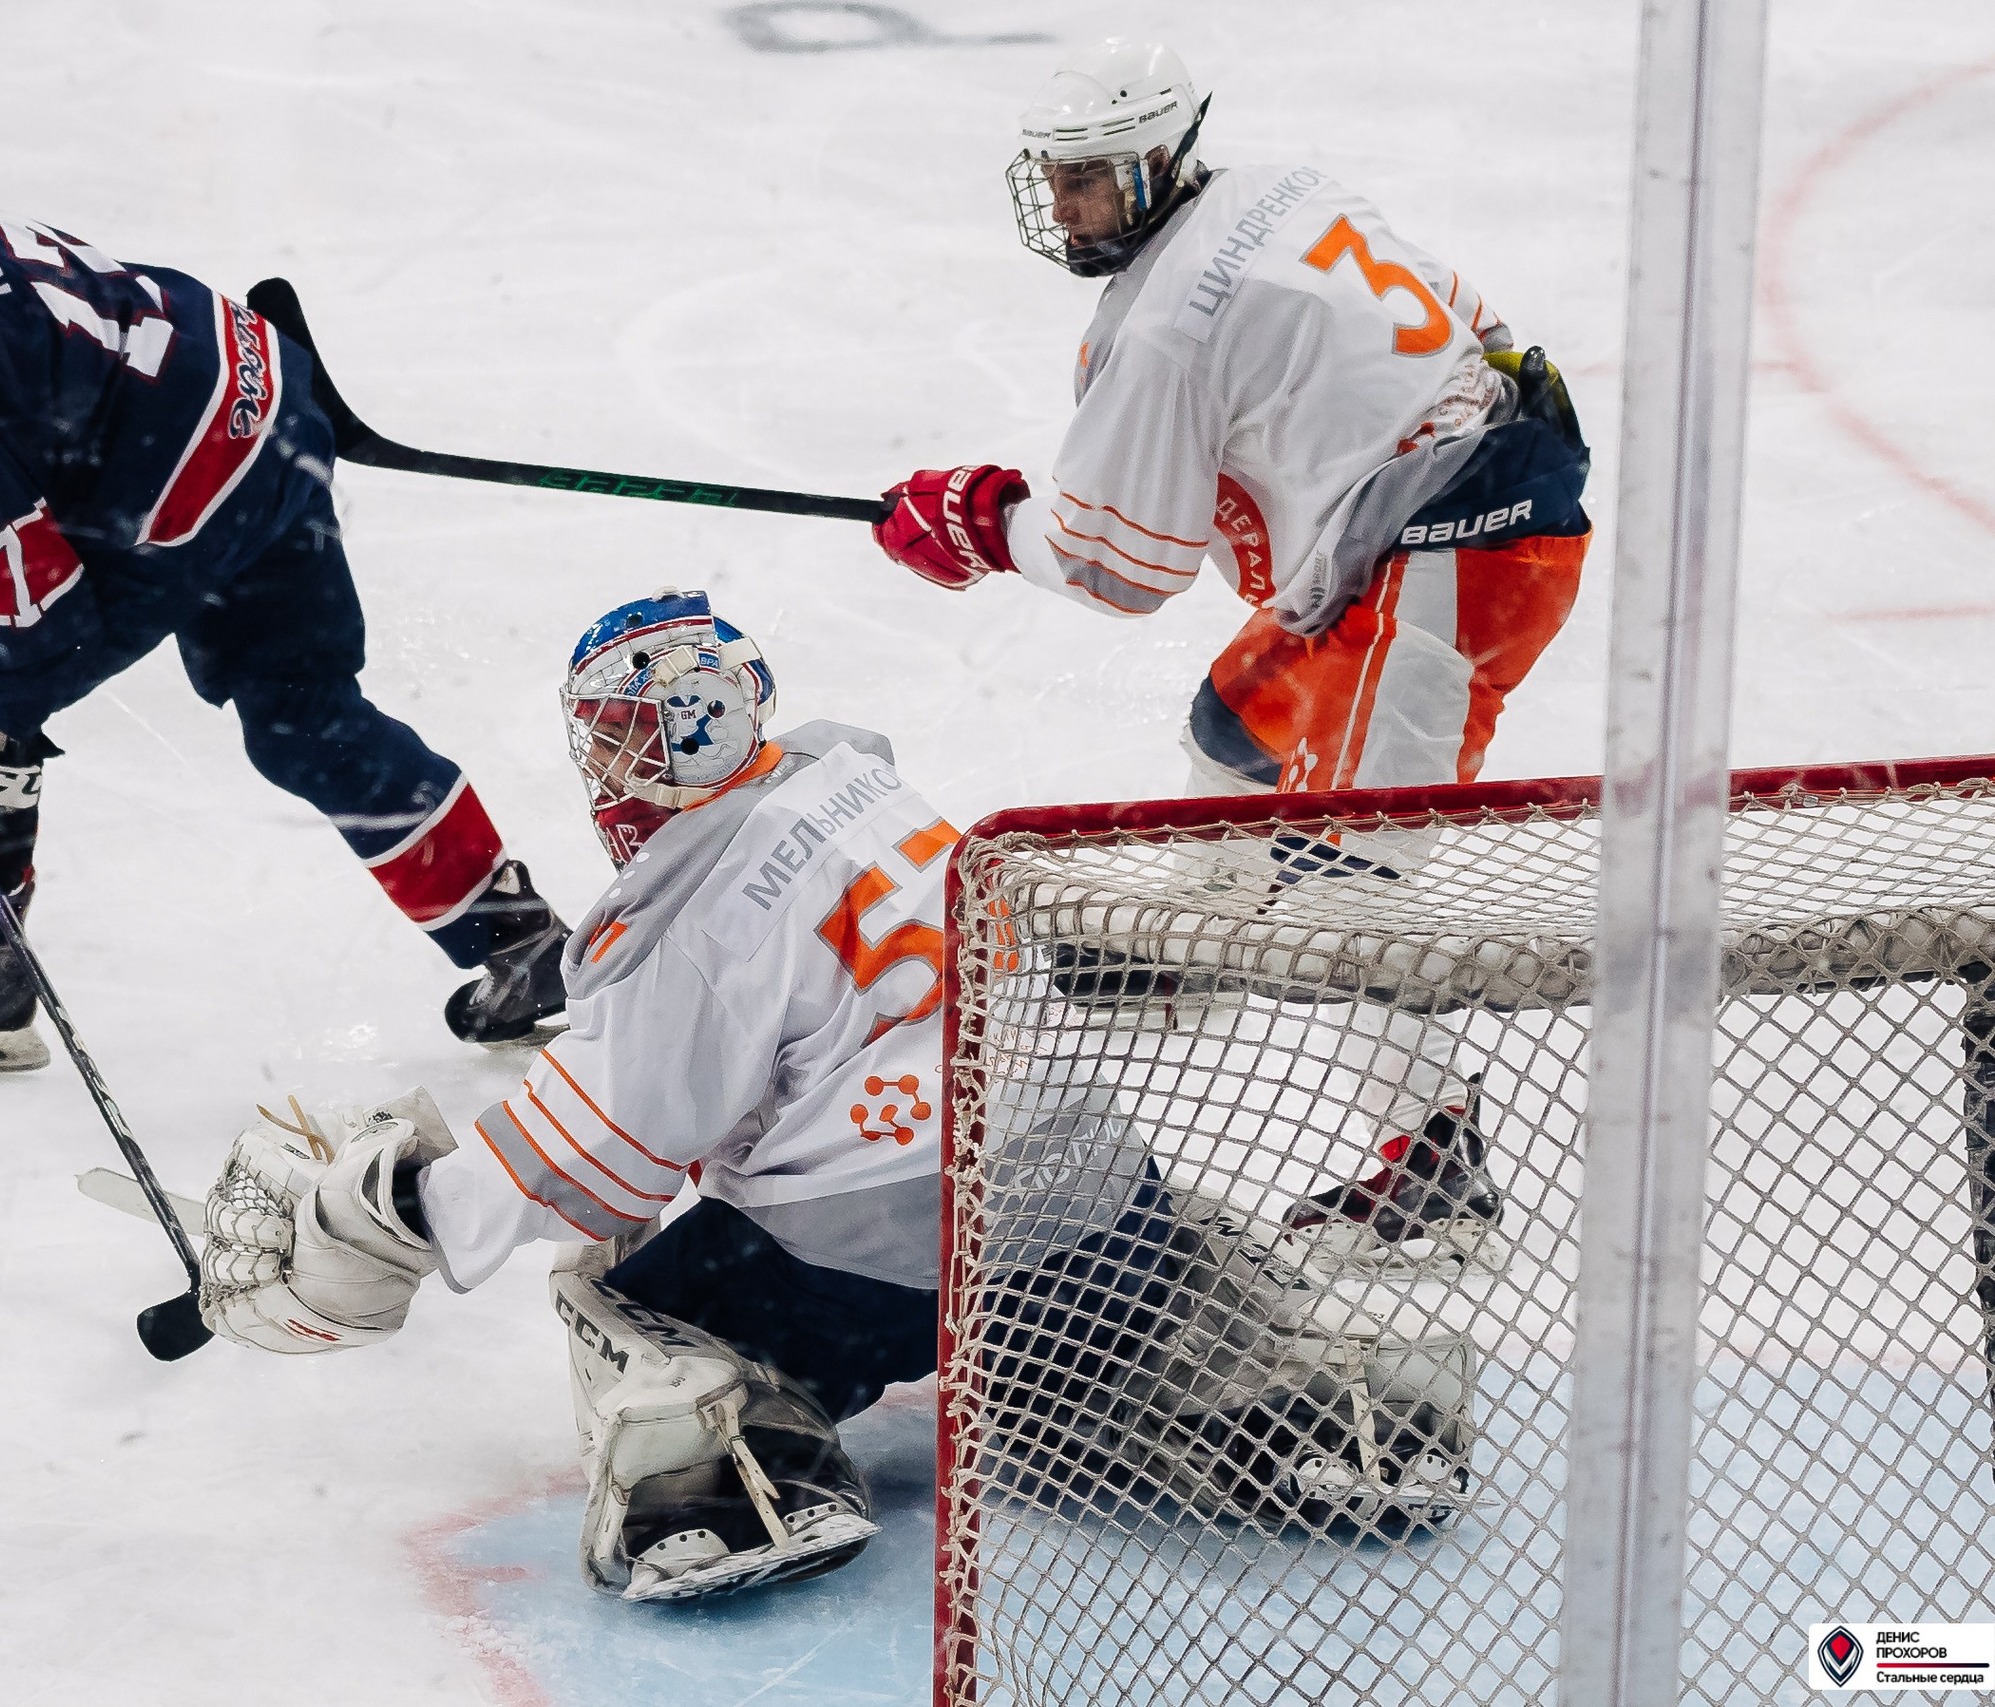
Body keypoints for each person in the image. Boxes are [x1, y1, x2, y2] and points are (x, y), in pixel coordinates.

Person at [186, 590, 1481, 1600]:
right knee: (1101, 1270)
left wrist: (396, 1207)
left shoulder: (680, 913)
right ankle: (1260, 1373)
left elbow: (595, 1150)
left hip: (877, 1283)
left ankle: (733, 1476)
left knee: (619, 1281)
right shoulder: (859, 779)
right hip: (1099, 1224)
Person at [870, 40, 1592, 1269]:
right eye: (1053, 179)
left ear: (1159, 163)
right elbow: (1483, 328)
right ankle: (1196, 949)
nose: (1063, 206)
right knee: (1234, 730)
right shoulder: (1281, 187)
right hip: (1426, 514)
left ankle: (1433, 1164)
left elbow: (1119, 569)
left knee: (1343, 884)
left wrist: (981, 525)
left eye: (1088, 180)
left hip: (1446, 561)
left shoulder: (1159, 332)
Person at [0, 159, 570, 1065]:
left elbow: (41, 627)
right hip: (261, 394)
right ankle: (518, 937)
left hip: (177, 504)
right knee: (304, 719)